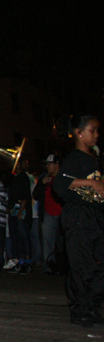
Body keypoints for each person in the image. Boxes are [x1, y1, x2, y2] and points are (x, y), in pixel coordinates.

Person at [53, 114, 104, 329]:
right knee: (81, 265)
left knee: (99, 264)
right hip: (79, 217)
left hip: (96, 216)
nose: (96, 135)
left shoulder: (94, 158)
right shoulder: (74, 158)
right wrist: (91, 183)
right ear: (79, 133)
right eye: (92, 131)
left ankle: (92, 307)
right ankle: (80, 311)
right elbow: (59, 184)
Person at [31, 154, 63, 274]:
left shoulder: (63, 177)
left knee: (64, 241)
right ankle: (49, 266)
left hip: (62, 213)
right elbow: (35, 196)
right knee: (47, 242)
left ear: (56, 165)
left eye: (50, 164)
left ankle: (64, 266)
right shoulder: (44, 177)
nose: (48, 166)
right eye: (47, 164)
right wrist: (41, 184)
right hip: (48, 214)